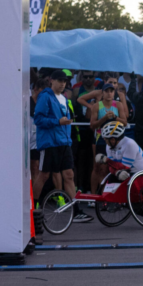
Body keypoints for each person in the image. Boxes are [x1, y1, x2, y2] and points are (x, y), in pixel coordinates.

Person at [33, 70, 93, 222]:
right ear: (51, 81)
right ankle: (33, 207)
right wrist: (58, 122)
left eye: (64, 81)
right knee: (44, 175)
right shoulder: (45, 96)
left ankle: (76, 211)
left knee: (69, 175)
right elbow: (38, 119)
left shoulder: (64, 98)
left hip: (64, 142)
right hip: (50, 142)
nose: (62, 84)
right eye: (59, 80)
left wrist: (66, 132)